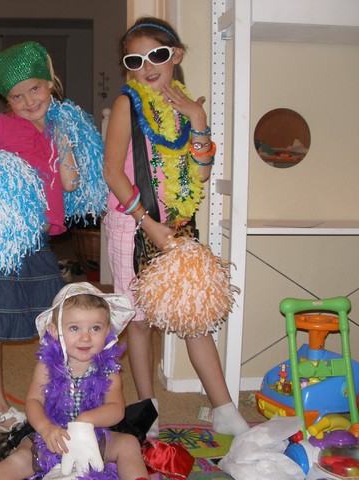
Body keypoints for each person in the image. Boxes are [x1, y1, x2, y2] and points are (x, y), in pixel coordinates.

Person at [0, 41, 105, 433]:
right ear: (6, 100)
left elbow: (69, 182)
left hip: (38, 243)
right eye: (17, 96)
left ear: (50, 83)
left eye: (35, 88)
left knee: (54, 321)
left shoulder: (60, 127)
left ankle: (58, 397)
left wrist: (66, 148)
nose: (29, 101)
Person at [102, 17, 249, 437]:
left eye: (157, 55)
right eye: (135, 60)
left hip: (178, 225)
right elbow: (112, 171)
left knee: (192, 315)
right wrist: (146, 223)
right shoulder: (128, 105)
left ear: (176, 55)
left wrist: (198, 117)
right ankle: (147, 407)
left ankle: (224, 409)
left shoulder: (186, 107)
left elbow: (201, 174)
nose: (147, 66)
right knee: (139, 320)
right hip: (133, 224)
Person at [0, 282, 149, 480]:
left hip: (94, 436)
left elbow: (116, 409)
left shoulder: (108, 369)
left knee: (128, 444)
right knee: (23, 455)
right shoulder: (46, 366)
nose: (85, 337)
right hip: (51, 436)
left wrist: (86, 420)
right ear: (54, 331)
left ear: (107, 331)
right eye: (74, 328)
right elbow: (33, 401)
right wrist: (45, 428)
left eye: (95, 328)